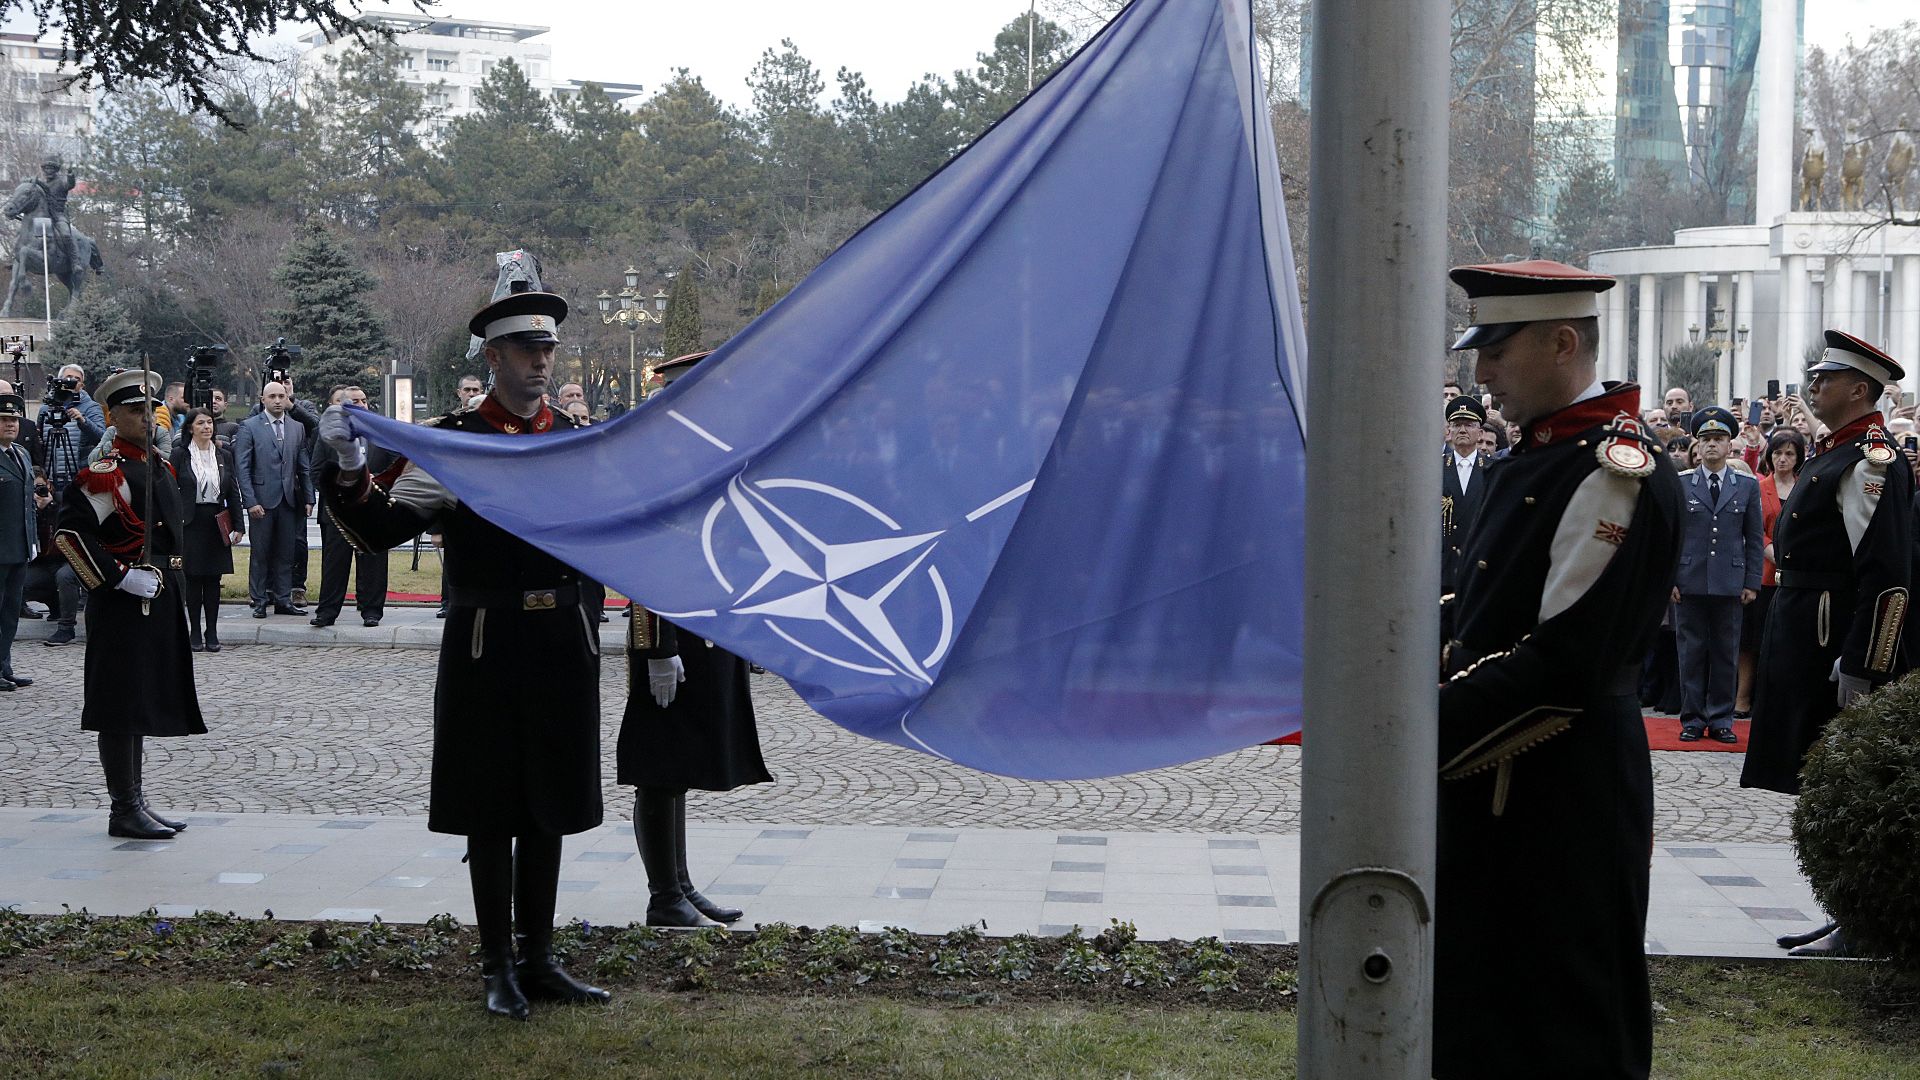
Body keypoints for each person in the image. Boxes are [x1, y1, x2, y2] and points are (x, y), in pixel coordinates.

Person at [316, 289, 608, 1019]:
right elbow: (381, 530)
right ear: (494, 356)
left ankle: (540, 958)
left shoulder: (569, 436)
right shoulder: (455, 442)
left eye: (547, 351)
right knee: (492, 805)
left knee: (550, 805)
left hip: (561, 639)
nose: (541, 362)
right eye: (525, 351)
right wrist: (352, 469)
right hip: (489, 642)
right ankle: (496, 964)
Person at [1437, 260, 1680, 1079]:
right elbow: (1479, 611)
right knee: (1485, 1002)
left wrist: (1415, 727)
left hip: (1555, 782)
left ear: (1562, 341)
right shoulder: (1542, 456)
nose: (1482, 375)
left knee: (1561, 1017)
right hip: (1496, 772)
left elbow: (1565, 661)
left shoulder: (1612, 469)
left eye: (1496, 351)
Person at [1745, 330, 1912, 958]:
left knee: (1836, 781)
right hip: (1802, 630)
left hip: (1830, 643)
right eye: (1813, 375)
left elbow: (1885, 574)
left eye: (1826, 378)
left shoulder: (1869, 461)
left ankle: (1857, 915)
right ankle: (1843, 909)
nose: (1813, 386)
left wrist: (1864, 662)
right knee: (1815, 782)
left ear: (1861, 390)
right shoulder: (1834, 452)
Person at [622, 351, 774, 929]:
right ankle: (664, 896)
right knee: (660, 764)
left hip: (708, 629)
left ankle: (680, 884)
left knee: (682, 765)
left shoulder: (713, 458)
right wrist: (656, 647)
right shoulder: (656, 466)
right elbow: (641, 564)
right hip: (670, 635)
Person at [52, 369, 203, 839]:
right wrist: (118, 578)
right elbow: (71, 537)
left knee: (139, 701)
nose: (145, 417)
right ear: (112, 417)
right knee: (120, 704)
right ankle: (123, 807)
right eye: (134, 410)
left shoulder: (159, 463)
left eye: (149, 408)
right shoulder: (107, 473)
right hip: (123, 602)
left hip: (158, 594)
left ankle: (136, 799)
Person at [1670, 407, 1763, 742]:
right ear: (1697, 445)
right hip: (1689, 580)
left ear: (1729, 445)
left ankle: (1722, 718)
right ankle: (1693, 719)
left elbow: (1753, 538)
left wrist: (1752, 581)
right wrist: (1670, 580)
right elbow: (1671, 536)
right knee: (1691, 652)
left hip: (1729, 581)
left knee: (1726, 652)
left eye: (1719, 439)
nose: (1711, 445)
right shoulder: (1680, 484)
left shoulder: (1746, 485)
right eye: (1705, 439)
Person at [309, 385, 392, 628]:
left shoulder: (381, 432)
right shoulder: (331, 434)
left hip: (373, 510)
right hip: (339, 511)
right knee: (335, 563)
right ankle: (327, 611)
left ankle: (372, 610)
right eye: (354, 401)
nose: (361, 405)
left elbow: (396, 468)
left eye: (364, 401)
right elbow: (316, 470)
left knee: (373, 563)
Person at [1738, 429, 1806, 716]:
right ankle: (1742, 699)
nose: (1782, 459)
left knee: (1787, 644)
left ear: (1799, 457)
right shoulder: (1759, 486)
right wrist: (1775, 555)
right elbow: (1753, 528)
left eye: (1789, 453)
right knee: (1752, 642)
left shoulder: (1807, 486)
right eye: (1777, 453)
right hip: (1764, 574)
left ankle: (1777, 702)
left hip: (1798, 576)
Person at [39, 363, 106, 647]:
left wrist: (80, 419)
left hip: (79, 480)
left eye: (76, 380)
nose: (71, 384)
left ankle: (79, 612)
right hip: (53, 480)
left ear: (83, 382)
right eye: (67, 379)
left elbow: (100, 437)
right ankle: (57, 608)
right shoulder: (47, 408)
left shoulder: (89, 407)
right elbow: (40, 444)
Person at [232, 381, 310, 618]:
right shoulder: (249, 427)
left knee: (286, 553)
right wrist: (250, 501)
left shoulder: (297, 427)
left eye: (281, 396)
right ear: (263, 399)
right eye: (272, 396)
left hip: (288, 500)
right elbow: (242, 468)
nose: (277, 400)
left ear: (287, 398)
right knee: (261, 552)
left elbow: (303, 466)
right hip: (262, 500)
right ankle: (259, 599)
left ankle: (283, 599)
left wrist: (308, 497)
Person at [170, 409, 244, 652]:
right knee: (192, 579)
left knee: (213, 580)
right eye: (200, 423)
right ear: (190, 427)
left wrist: (239, 526)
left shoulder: (224, 454)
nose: (206, 427)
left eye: (209, 423)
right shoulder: (180, 454)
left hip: (215, 521)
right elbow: (171, 491)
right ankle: (193, 631)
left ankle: (211, 631)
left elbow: (232, 491)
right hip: (190, 522)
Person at [0, 393, 48, 689]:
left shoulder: (21, 454)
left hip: (19, 545)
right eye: (4, 420)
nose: (10, 425)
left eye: (14, 420)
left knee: (10, 611)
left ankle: (4, 665)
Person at [1441, 395, 1491, 598]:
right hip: (1442, 565)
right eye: (1457, 424)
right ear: (1448, 431)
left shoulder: (1491, 469)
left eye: (1469, 425)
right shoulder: (1434, 468)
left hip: (1477, 562)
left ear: (1479, 433)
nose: (1462, 430)